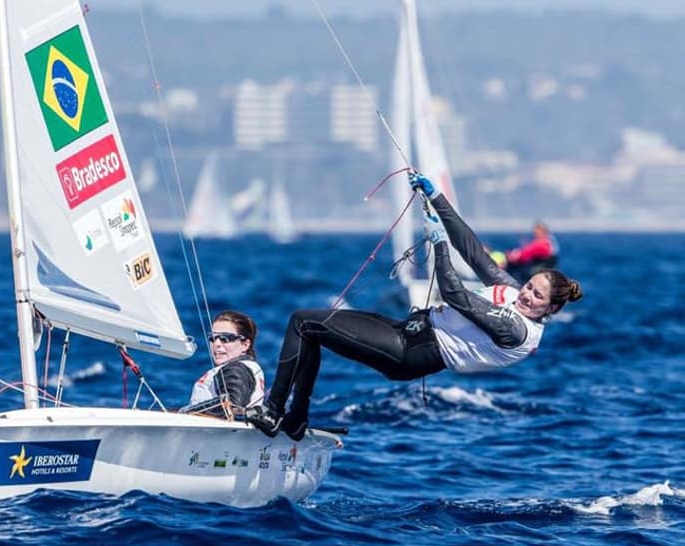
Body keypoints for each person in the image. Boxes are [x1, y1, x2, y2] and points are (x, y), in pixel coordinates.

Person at [247, 171, 582, 441]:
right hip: (408, 330)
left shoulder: (517, 330)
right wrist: (436, 198)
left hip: (412, 354)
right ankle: (295, 418)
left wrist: (438, 245)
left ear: (551, 310)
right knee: (309, 327)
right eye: (529, 286)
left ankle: (274, 412)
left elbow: (455, 295)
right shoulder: (511, 291)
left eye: (537, 297)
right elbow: (471, 249)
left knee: (303, 323)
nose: (526, 295)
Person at [184, 310, 265, 417]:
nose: (216, 344)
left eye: (225, 338)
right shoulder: (247, 367)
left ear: (245, 344)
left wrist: (185, 413)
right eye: (213, 338)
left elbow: (230, 407)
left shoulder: (236, 368)